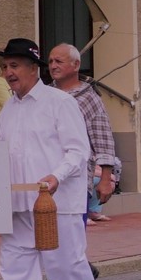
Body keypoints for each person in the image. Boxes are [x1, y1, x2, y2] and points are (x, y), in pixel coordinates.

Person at [0, 38, 107, 280]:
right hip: (19, 203)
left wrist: (56, 176)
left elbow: (78, 150)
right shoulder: (10, 108)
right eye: (5, 67)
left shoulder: (59, 102)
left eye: (14, 66)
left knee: (64, 264)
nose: (8, 73)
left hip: (57, 201)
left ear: (32, 68)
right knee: (15, 266)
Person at [48, 43, 117, 223]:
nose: (53, 66)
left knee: (70, 241)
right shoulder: (44, 94)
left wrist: (104, 179)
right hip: (45, 178)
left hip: (74, 183)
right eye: (50, 62)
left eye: (59, 61)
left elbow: (103, 139)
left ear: (76, 65)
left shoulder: (88, 97)